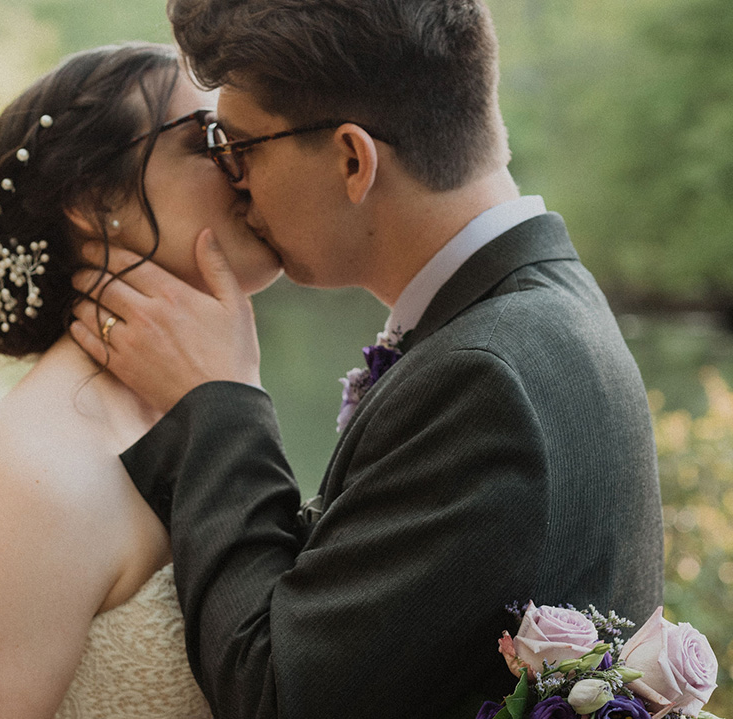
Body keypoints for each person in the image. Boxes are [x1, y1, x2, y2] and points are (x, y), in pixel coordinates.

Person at [69, 1, 666, 718]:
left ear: (353, 159)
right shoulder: (549, 305)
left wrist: (219, 400)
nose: (233, 179)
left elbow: (277, 693)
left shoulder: (482, 376)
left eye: (240, 145)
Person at [0, 42, 281, 719]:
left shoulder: (191, 405)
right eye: (207, 139)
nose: (244, 165)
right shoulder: (26, 474)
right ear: (95, 199)